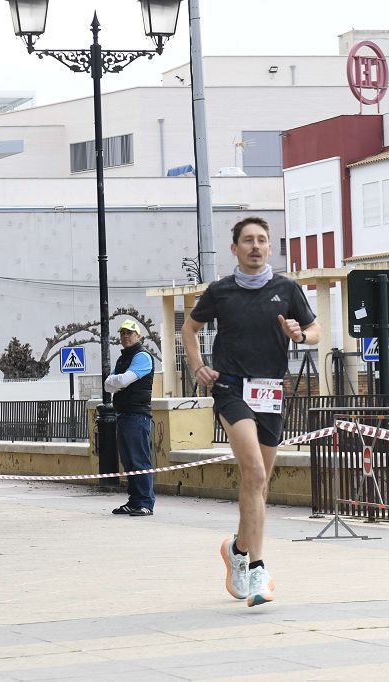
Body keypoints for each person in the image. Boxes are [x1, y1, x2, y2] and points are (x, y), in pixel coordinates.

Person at [181, 216, 320, 608]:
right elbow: (189, 330)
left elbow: (315, 331)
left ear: (270, 247)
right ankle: (257, 567)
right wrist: (197, 366)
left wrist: (300, 335)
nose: (255, 246)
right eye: (248, 241)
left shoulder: (286, 289)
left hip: (270, 392)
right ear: (235, 248)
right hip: (230, 389)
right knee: (254, 473)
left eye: (262, 240)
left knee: (258, 484)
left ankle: (238, 549)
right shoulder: (221, 292)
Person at [104, 319, 156, 517]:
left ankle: (145, 502)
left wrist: (116, 381)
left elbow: (123, 380)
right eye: (123, 333)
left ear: (138, 336)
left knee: (140, 460)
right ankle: (134, 500)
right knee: (129, 461)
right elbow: (108, 385)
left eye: (130, 333)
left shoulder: (142, 356)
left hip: (137, 415)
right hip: (124, 415)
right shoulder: (123, 358)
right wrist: (116, 381)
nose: (126, 336)